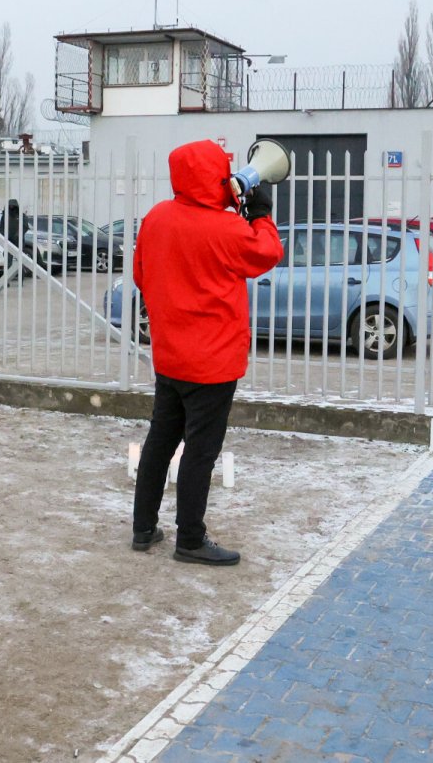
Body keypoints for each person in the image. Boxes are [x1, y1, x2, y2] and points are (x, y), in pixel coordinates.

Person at [130, 139, 284, 566]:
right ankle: (190, 540)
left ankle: (144, 528)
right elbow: (268, 253)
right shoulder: (227, 227)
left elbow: (141, 275)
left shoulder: (156, 218)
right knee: (200, 452)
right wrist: (262, 216)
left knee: (159, 442)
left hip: (170, 357)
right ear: (216, 177)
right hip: (213, 363)